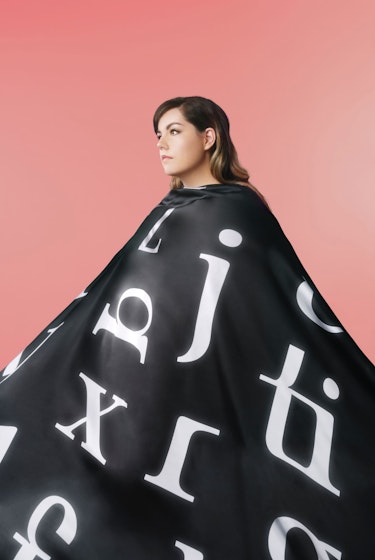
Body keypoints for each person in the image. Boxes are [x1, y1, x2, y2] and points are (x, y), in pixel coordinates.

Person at [0, 96, 373, 560]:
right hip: (129, 374)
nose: (161, 143)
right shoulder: (171, 209)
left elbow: (266, 305)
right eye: (158, 134)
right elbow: (115, 288)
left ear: (208, 136)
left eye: (174, 131)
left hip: (200, 385)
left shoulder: (239, 211)